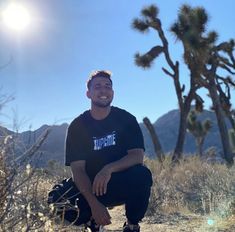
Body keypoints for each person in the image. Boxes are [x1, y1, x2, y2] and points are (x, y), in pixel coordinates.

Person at [50, 70, 152, 232]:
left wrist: (108, 169)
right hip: (89, 185)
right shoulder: (78, 126)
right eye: (97, 87)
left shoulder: (126, 119)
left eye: (107, 86)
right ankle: (92, 221)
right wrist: (94, 204)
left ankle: (132, 224)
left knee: (142, 175)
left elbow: (137, 156)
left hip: (118, 181)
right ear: (88, 94)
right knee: (56, 198)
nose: (103, 90)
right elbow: (77, 170)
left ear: (112, 92)